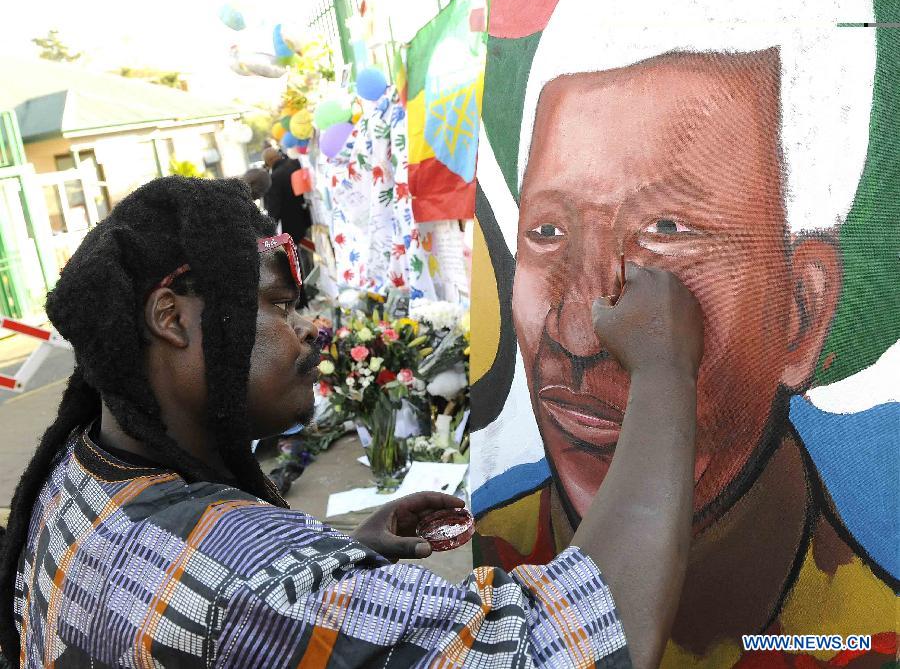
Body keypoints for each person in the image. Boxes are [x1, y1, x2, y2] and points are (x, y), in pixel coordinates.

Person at [0, 176, 705, 668]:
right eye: (276, 305)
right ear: (171, 318)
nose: (309, 328)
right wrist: (665, 370)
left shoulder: (77, 476)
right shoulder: (252, 585)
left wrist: (338, 564)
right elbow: (565, 649)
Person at [472, 0, 898, 665]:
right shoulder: (501, 574)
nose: (575, 332)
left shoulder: (867, 637)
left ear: (803, 314)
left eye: (666, 233)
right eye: (547, 232)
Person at [262, 146, 313, 276]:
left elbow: (274, 208)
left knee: (302, 256)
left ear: (268, 162)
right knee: (314, 249)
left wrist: (268, 229)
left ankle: (309, 283)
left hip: (292, 223)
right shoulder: (295, 163)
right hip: (309, 214)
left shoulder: (274, 178)